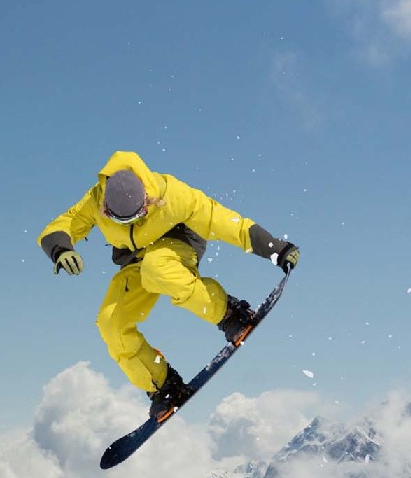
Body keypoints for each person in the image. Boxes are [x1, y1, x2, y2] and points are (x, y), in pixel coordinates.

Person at [38, 151, 299, 422]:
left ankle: (231, 314)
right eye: (121, 221)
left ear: (147, 201)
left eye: (138, 215)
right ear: (106, 208)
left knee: (157, 268)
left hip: (177, 244)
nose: (132, 224)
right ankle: (163, 385)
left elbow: (223, 222)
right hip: (135, 260)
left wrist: (275, 249)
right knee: (111, 322)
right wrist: (60, 249)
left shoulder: (173, 195)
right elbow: (63, 225)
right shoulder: (95, 199)